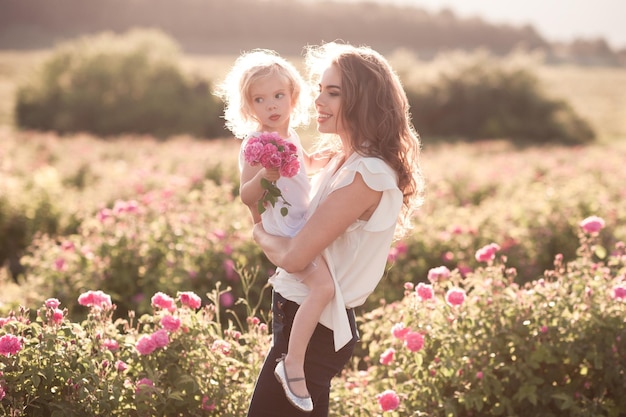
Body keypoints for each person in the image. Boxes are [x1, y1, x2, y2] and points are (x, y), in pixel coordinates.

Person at [246, 41, 424, 417]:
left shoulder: (367, 173)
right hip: (304, 319)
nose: (318, 101)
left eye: (334, 92)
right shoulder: (345, 160)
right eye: (319, 90)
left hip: (315, 330)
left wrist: (259, 231)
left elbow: (295, 256)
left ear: (362, 101)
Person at [215, 49, 336, 412]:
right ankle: (292, 363)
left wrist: (331, 157)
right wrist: (263, 177)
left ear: (293, 97)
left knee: (323, 287)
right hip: (286, 232)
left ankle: (298, 357)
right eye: (260, 99)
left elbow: (305, 166)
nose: (271, 105)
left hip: (302, 225)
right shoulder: (255, 145)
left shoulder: (293, 136)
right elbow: (245, 196)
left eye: (278, 96)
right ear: (248, 106)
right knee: (323, 287)